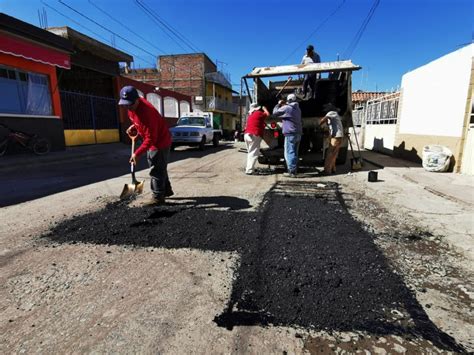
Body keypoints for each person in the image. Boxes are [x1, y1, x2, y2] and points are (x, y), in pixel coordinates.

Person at [118, 85, 173, 205]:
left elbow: (151, 138)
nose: (128, 107)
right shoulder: (132, 107)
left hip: (160, 142)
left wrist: (137, 154)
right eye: (125, 104)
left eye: (130, 104)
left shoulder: (147, 113)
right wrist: (135, 126)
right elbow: (139, 122)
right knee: (160, 166)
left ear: (137, 99)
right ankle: (166, 191)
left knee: (156, 169)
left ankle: (158, 197)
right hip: (154, 138)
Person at [272, 93, 302, 177]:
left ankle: (291, 172)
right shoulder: (298, 108)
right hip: (298, 133)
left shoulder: (287, 108)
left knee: (289, 152)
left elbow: (275, 113)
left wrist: (278, 104)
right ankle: (294, 169)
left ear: (288, 101)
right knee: (294, 152)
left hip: (290, 134)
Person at [244, 103, 270, 175]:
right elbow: (267, 114)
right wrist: (264, 109)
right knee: (253, 153)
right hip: (254, 134)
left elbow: (257, 122)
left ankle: (248, 168)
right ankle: (249, 170)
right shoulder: (259, 113)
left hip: (247, 134)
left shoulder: (250, 115)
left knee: (250, 153)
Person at [320, 103, 344, 175]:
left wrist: (319, 125)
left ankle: (327, 171)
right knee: (334, 154)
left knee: (330, 154)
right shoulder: (335, 114)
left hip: (336, 137)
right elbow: (330, 124)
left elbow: (322, 120)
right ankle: (333, 169)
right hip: (339, 136)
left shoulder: (331, 113)